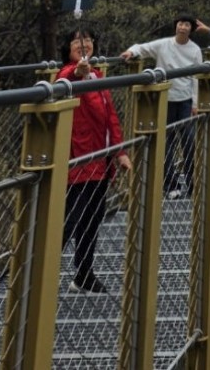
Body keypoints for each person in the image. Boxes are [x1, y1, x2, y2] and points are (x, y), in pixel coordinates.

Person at [58, 27, 131, 296]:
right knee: (71, 219)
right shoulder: (67, 74)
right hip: (77, 159)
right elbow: (64, 81)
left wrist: (120, 151)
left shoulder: (98, 76)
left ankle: (84, 274)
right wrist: (77, 71)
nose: (83, 44)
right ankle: (39, 275)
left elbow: (111, 117)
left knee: (92, 218)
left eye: (87, 39)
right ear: (68, 48)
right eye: (77, 41)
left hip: (100, 160)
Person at [120, 14, 203, 199]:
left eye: (187, 25)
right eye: (180, 24)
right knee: (166, 143)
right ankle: (171, 185)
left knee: (189, 141)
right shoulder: (164, 44)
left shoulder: (195, 50)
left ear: (191, 29)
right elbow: (143, 47)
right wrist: (131, 52)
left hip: (185, 100)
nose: (183, 27)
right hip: (165, 98)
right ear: (176, 26)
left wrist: (196, 103)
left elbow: (197, 77)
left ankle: (192, 183)